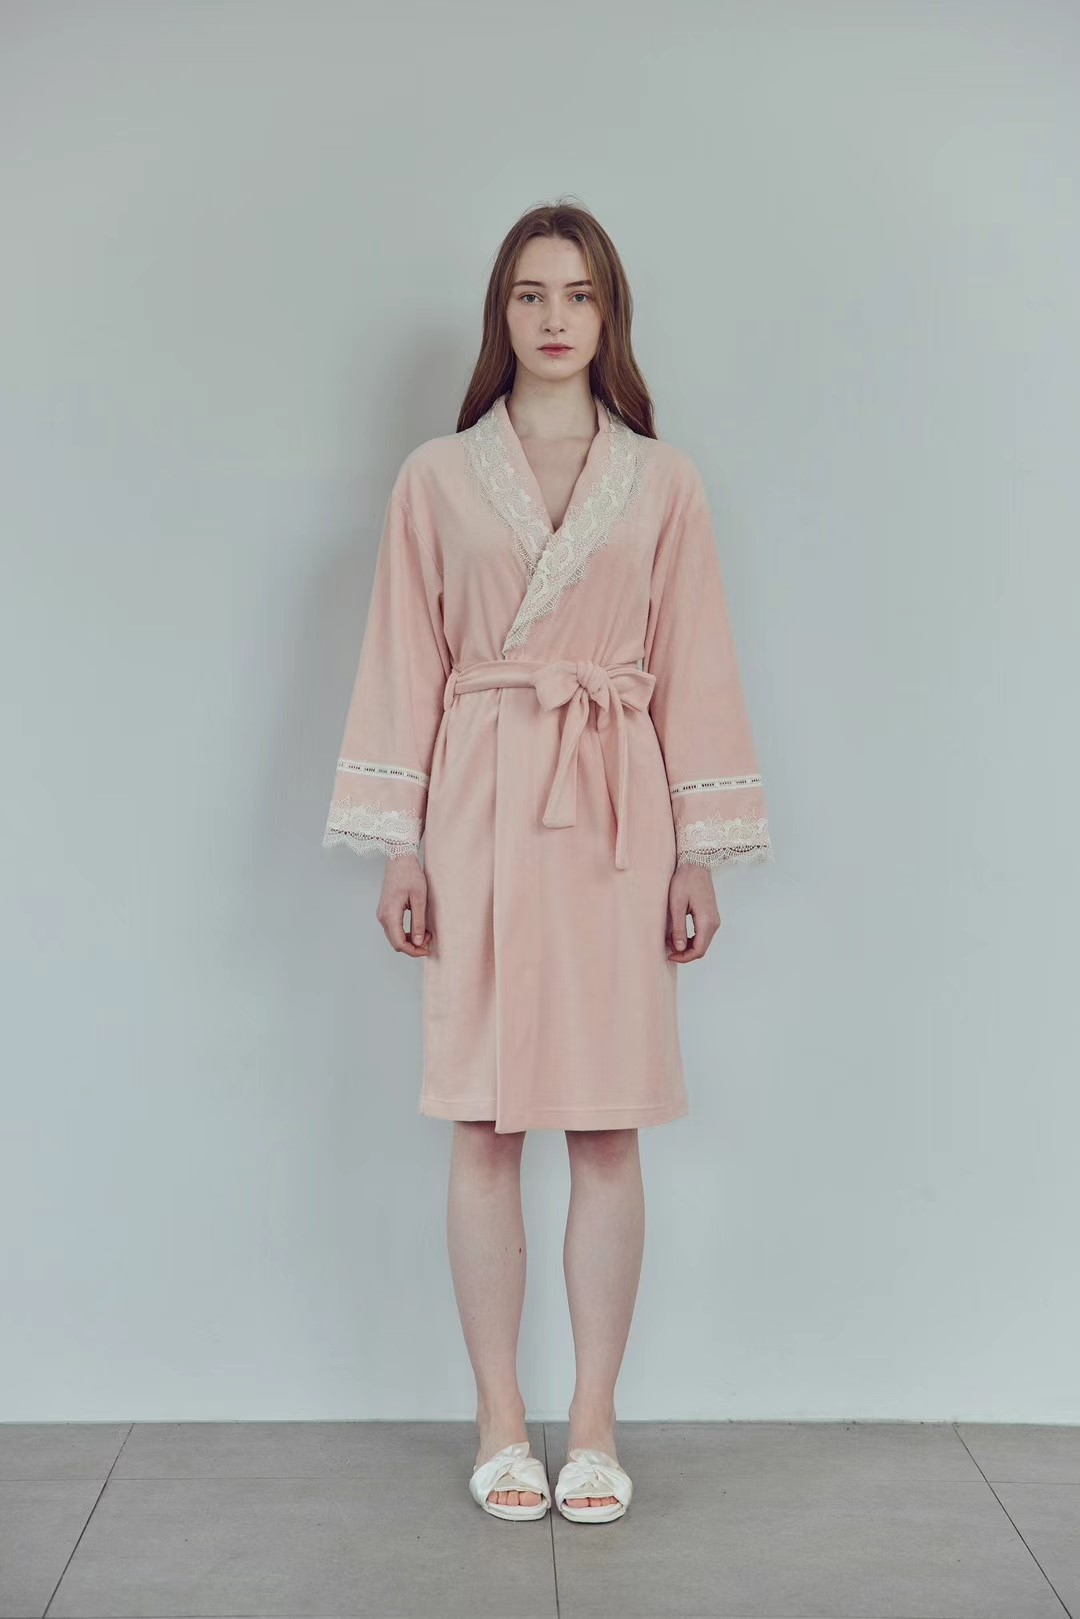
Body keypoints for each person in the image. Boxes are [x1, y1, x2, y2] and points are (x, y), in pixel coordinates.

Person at [322, 201, 773, 1522]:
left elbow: (696, 662)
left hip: (617, 812)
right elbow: (404, 658)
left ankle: (594, 1424)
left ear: (608, 312)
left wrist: (699, 852)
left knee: (608, 1123)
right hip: (478, 805)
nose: (555, 318)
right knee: (483, 1120)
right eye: (530, 294)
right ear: (501, 314)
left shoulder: (664, 480)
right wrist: (398, 844)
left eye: (578, 294)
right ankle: (500, 1423)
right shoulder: (435, 476)